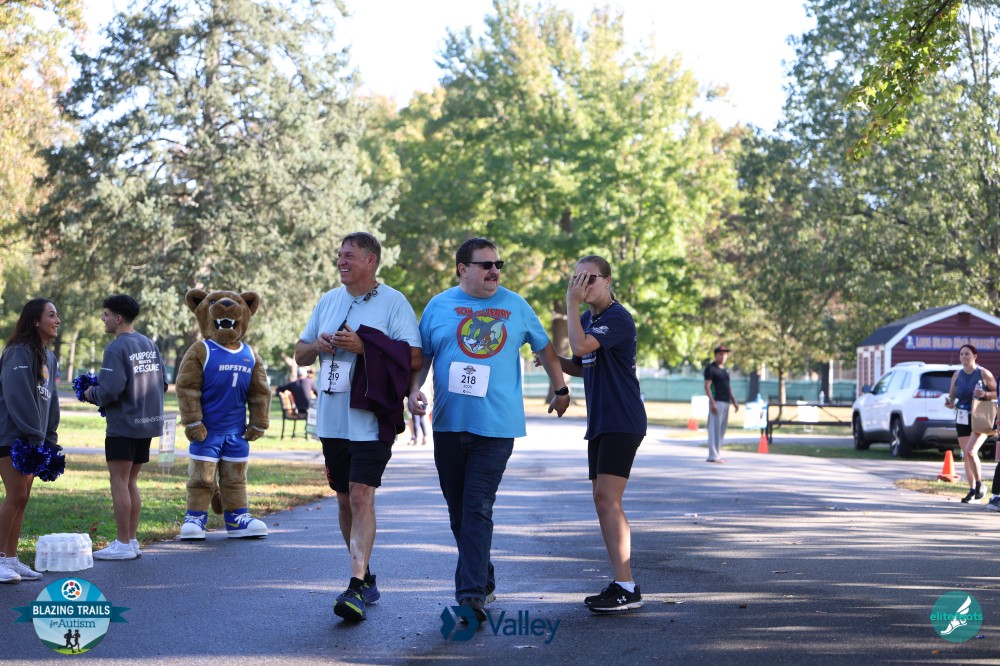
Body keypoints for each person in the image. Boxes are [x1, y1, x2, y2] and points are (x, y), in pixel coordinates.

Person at [407, 237, 570, 622]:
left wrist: (561, 389)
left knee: (478, 507)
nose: (495, 271)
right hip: (448, 425)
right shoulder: (438, 306)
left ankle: (471, 596)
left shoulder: (515, 305)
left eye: (498, 264)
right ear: (463, 269)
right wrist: (413, 390)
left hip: (497, 427)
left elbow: (545, 348)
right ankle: (483, 574)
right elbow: (423, 357)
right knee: (458, 513)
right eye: (486, 265)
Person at [295, 231, 422, 622]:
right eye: (339, 255)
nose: (341, 261)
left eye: (349, 255)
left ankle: (354, 585)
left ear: (371, 260)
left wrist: (365, 347)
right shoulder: (328, 300)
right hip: (332, 420)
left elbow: (415, 356)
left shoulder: (393, 302)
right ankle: (365, 576)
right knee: (345, 499)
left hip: (370, 417)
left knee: (362, 495)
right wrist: (318, 345)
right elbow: (300, 354)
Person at [547, 255, 647, 613]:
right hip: (602, 422)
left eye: (589, 278)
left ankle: (627, 586)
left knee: (608, 500)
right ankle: (621, 583)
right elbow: (581, 363)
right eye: (577, 279)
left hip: (623, 419)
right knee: (601, 500)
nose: (582, 285)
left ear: (607, 280)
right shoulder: (589, 320)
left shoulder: (617, 317)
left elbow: (581, 347)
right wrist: (551, 361)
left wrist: (570, 303)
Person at [85, 295, 167, 560]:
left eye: (106, 314)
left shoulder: (116, 348)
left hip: (124, 425)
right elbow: (163, 384)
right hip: (147, 424)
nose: (103, 318)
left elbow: (109, 390)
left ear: (118, 318)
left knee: (119, 481)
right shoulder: (149, 343)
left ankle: (122, 544)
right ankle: (131, 541)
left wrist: (89, 393)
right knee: (131, 481)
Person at [0, 298, 60, 583]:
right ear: (35, 321)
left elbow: (51, 402)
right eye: (52, 315)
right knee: (16, 494)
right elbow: (17, 396)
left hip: (34, 439)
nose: (57, 321)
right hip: (12, 435)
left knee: (23, 498)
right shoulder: (18, 352)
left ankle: (11, 558)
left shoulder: (49, 357)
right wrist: (35, 435)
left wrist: (49, 439)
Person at [944, 344, 997, 503]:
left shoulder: (983, 373)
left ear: (975, 356)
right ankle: (972, 490)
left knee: (971, 451)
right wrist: (949, 402)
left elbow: (997, 392)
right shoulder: (957, 375)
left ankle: (980, 485)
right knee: (966, 455)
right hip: (962, 417)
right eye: (961, 354)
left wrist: (985, 394)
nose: (963, 357)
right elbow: (952, 396)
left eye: (967, 354)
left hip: (980, 416)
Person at [704, 344, 739, 463]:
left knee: (721, 430)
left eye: (725, 354)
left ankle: (717, 454)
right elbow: (707, 386)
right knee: (714, 429)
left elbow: (728, 386)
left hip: (725, 401)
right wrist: (712, 402)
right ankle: (712, 455)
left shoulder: (725, 370)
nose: (723, 356)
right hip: (716, 401)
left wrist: (734, 400)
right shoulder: (711, 368)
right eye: (720, 354)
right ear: (715, 355)